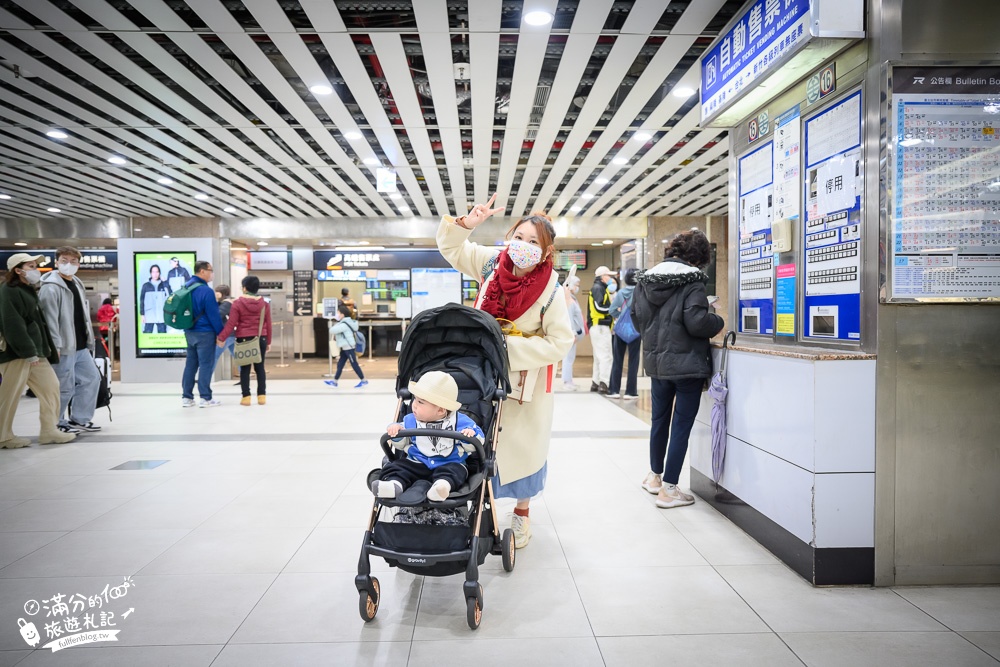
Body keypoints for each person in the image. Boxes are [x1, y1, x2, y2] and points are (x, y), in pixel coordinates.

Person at [437, 194, 574, 548]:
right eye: (519, 237)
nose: (523, 247)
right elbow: (453, 251)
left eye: (533, 243)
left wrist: (508, 347)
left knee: (524, 449)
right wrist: (467, 225)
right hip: (482, 375)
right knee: (478, 442)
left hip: (524, 382)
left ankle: (523, 514)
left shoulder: (551, 290)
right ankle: (476, 508)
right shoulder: (490, 264)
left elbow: (560, 341)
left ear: (546, 252)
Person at [631, 230, 725, 508]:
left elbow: (637, 318)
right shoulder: (692, 282)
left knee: (659, 420)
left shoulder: (646, 280)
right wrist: (716, 319)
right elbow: (696, 323)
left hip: (657, 363)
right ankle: (670, 489)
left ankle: (654, 477)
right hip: (687, 367)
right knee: (681, 425)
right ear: (699, 257)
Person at [372, 371, 485, 502]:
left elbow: (477, 442)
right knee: (398, 466)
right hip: (416, 462)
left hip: (449, 463)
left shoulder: (461, 422)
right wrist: (397, 432)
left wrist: (470, 435)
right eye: (414, 399)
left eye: (420, 402)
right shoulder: (410, 420)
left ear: (441, 410)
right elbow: (401, 445)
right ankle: (394, 484)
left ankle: (441, 487)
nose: (414, 404)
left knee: (457, 471)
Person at [0, 253, 76, 447]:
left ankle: (49, 430)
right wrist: (28, 351)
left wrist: (41, 350)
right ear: (18, 270)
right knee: (9, 394)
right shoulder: (8, 291)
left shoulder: (28, 289)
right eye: (31, 266)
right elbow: (12, 324)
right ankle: (4, 436)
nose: (36, 269)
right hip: (17, 353)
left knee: (51, 387)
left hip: (36, 352)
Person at [39, 246, 102, 434]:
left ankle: (79, 419)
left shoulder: (76, 283)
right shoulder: (50, 287)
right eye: (64, 260)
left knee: (92, 378)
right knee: (63, 386)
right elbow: (49, 319)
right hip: (63, 346)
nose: (69, 265)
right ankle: (56, 423)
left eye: (74, 261)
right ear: (56, 262)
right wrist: (55, 344)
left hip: (80, 345)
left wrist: (89, 339)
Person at [217, 277, 271, 406]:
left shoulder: (238, 303)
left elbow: (231, 324)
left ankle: (246, 397)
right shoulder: (264, 304)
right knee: (260, 368)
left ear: (245, 288)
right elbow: (268, 324)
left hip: (244, 338)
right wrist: (268, 341)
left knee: (245, 368)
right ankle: (261, 397)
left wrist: (221, 337)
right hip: (260, 338)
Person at [180, 261, 224, 408]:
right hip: (205, 332)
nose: (212, 273)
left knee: (191, 364)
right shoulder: (206, 290)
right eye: (210, 270)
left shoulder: (186, 286)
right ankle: (205, 398)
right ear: (202, 271)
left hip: (189, 331)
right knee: (206, 364)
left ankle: (187, 397)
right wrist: (221, 334)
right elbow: (214, 315)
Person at [607, 268, 641, 400]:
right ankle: (630, 392)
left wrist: (620, 316)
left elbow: (612, 310)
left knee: (617, 360)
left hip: (620, 330)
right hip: (636, 330)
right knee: (633, 361)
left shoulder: (621, 292)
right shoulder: (641, 293)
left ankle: (614, 390)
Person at [588, 265, 616, 394]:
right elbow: (599, 307)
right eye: (608, 276)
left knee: (599, 356)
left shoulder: (599, 288)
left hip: (598, 326)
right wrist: (613, 310)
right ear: (602, 277)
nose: (610, 278)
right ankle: (604, 383)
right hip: (600, 326)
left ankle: (596, 382)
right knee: (605, 356)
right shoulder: (598, 288)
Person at [327, 303, 367, 388]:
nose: (337, 315)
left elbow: (332, 330)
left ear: (342, 314)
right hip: (345, 347)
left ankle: (364, 380)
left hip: (348, 347)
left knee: (354, 364)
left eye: (338, 313)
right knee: (340, 364)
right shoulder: (346, 322)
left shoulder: (344, 324)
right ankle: (335, 381)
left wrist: (337, 322)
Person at [561, 275, 586, 390]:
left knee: (570, 358)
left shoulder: (571, 299)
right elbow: (570, 318)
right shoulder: (568, 300)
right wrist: (573, 333)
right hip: (571, 334)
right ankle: (567, 381)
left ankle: (569, 380)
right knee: (568, 358)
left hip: (573, 334)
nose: (577, 287)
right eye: (576, 285)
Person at [139, 264, 170, 333]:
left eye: (157, 272)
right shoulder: (146, 286)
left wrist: (165, 283)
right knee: (147, 333)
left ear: (159, 273)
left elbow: (170, 295)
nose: (155, 274)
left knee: (162, 333)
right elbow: (142, 300)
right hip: (149, 313)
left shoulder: (163, 284)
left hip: (161, 314)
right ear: (150, 273)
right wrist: (142, 314)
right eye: (153, 272)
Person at [213, 285, 236, 368]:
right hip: (230, 334)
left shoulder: (227, 303)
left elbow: (218, 315)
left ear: (221, 293)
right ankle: (244, 378)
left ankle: (206, 379)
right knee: (237, 357)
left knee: (214, 356)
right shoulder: (225, 302)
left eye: (216, 292)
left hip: (226, 334)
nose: (215, 293)